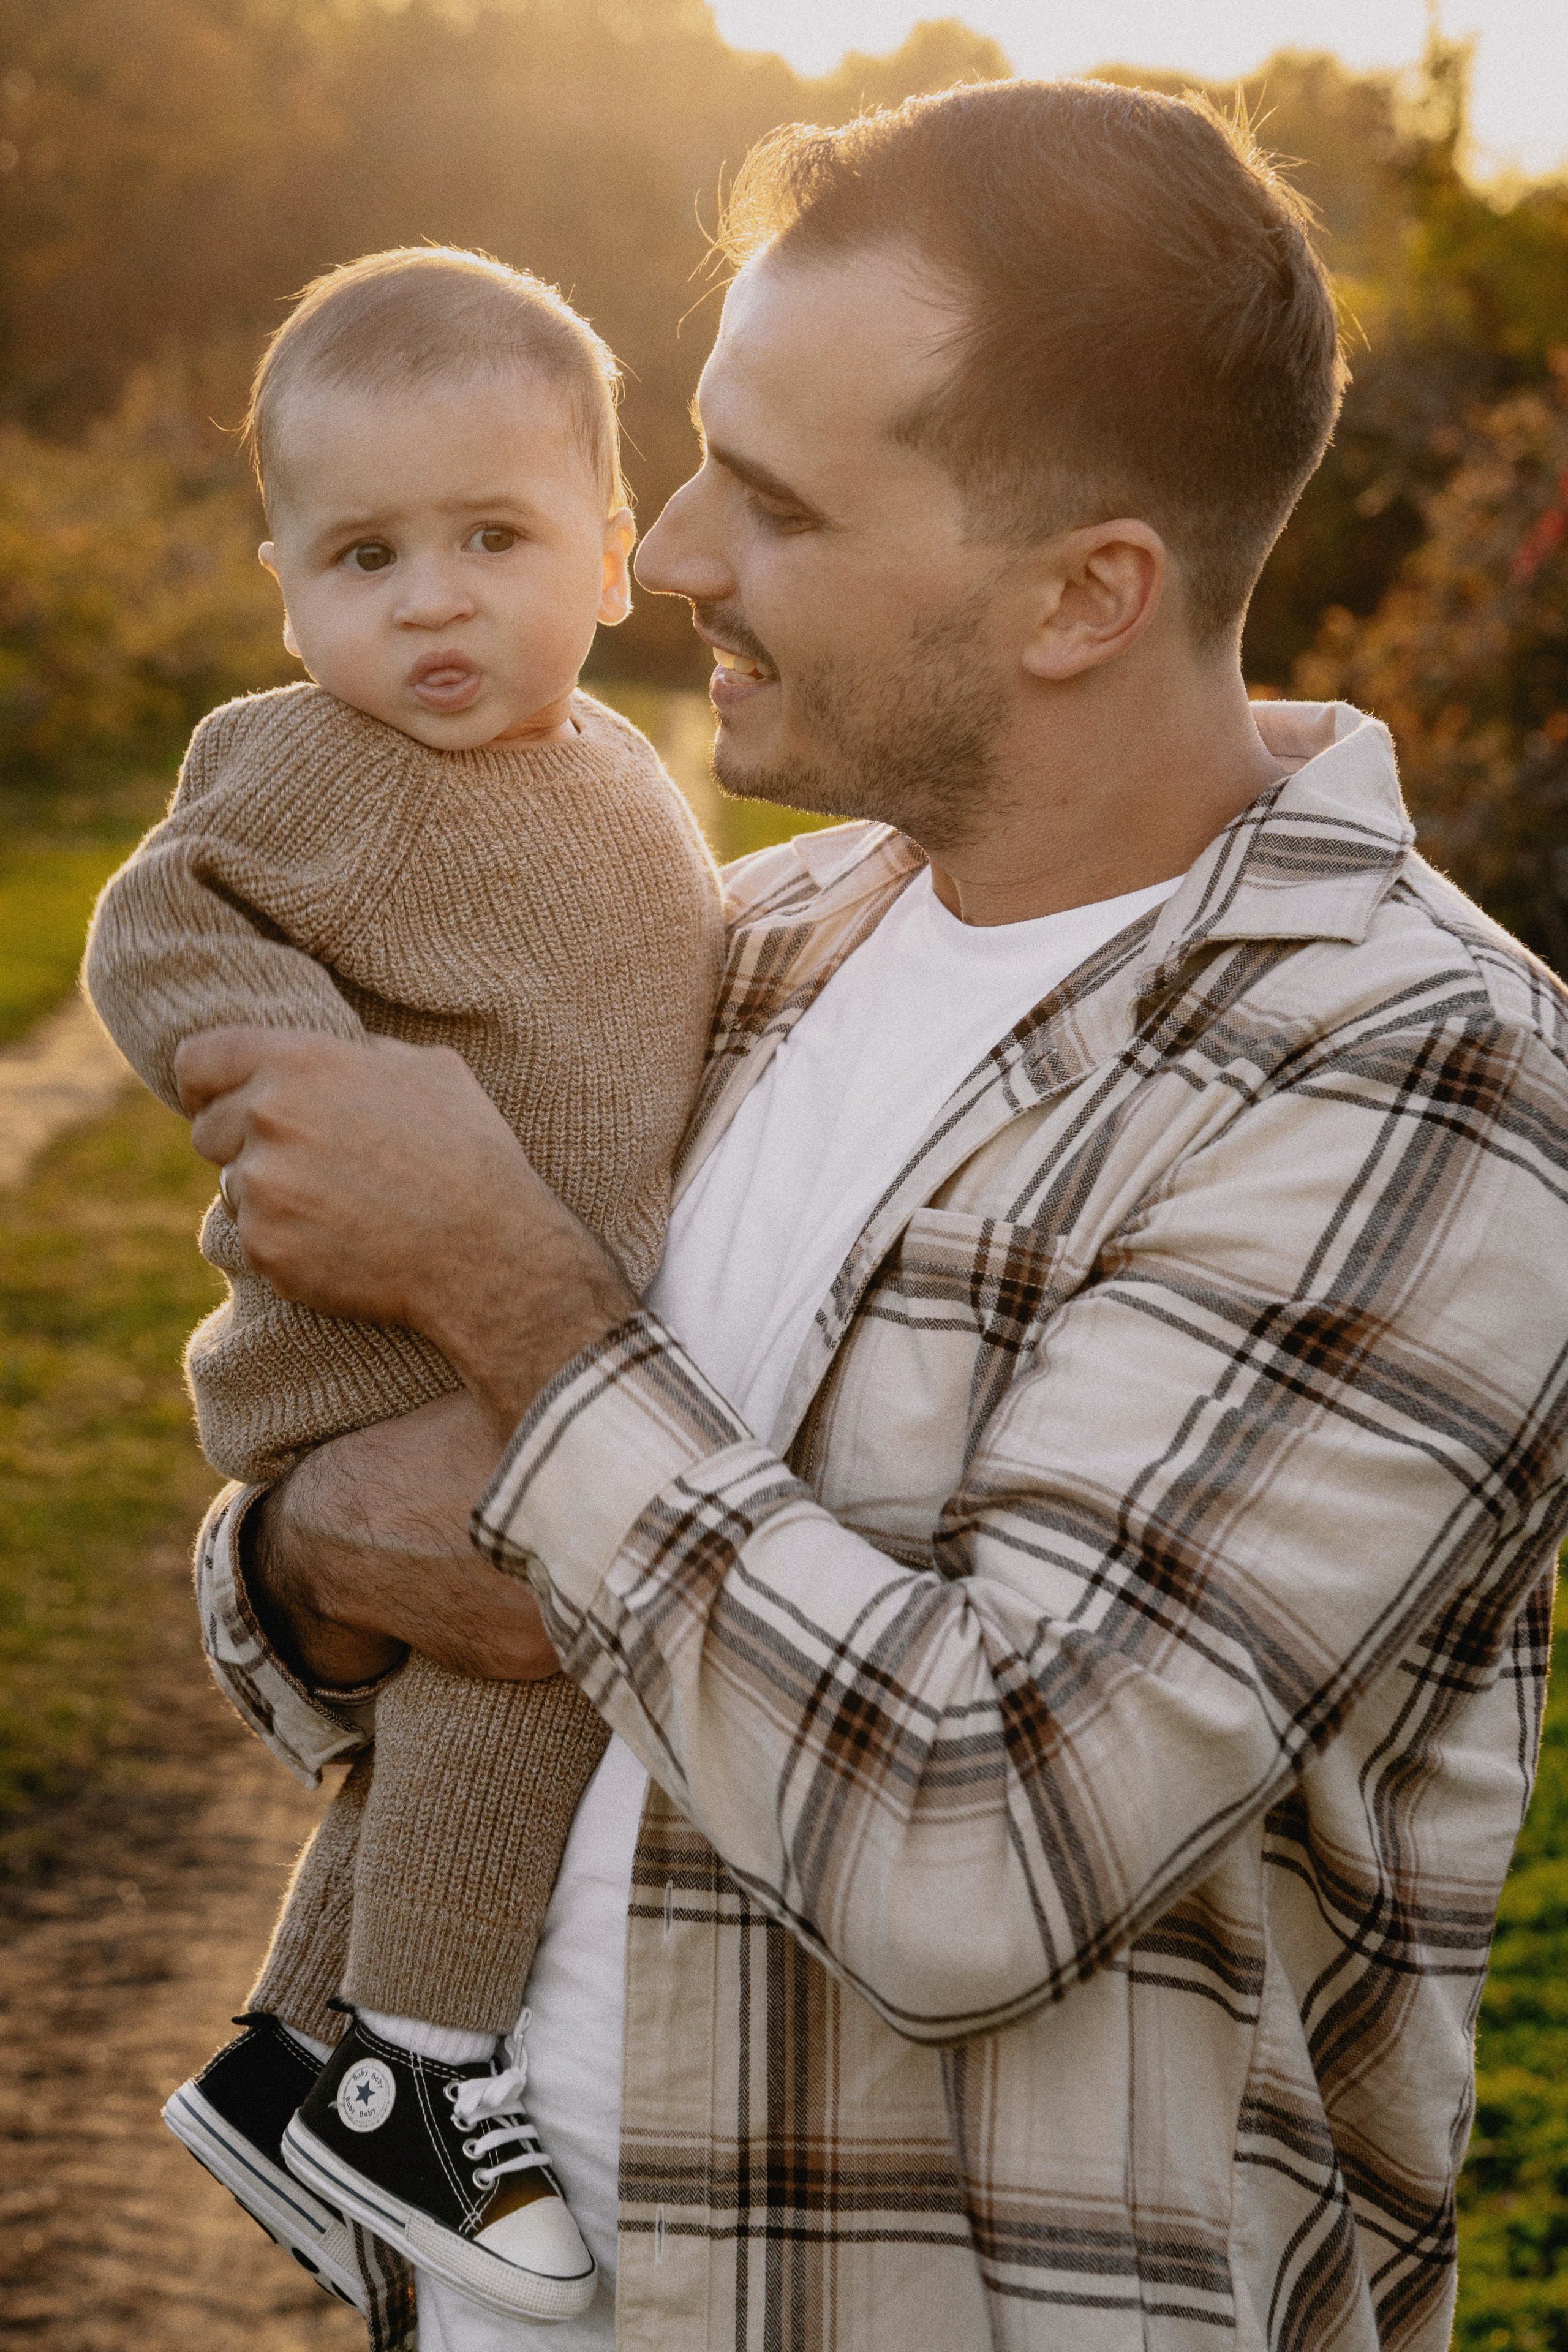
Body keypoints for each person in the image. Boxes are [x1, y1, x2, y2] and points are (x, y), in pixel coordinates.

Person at [173, 80, 1568, 2352]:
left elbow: (977, 1854)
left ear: (1088, 594)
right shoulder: (756, 939)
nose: (671, 550)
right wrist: (308, 1559)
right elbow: (362, 1599)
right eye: (697, 460)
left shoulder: (1409, 1074)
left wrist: (501, 1285)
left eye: (783, 502)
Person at [83, 248, 722, 2325]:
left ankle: (294, 2059)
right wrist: (307, 1088)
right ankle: (420, 2069)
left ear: (611, 555)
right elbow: (151, 923)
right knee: (523, 1650)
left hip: (503, 1313)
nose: (432, 602)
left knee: (463, 1687)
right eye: (366, 557)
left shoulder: (617, 775)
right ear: (287, 591)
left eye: (492, 540)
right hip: (370, 1330)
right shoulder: (317, 767)